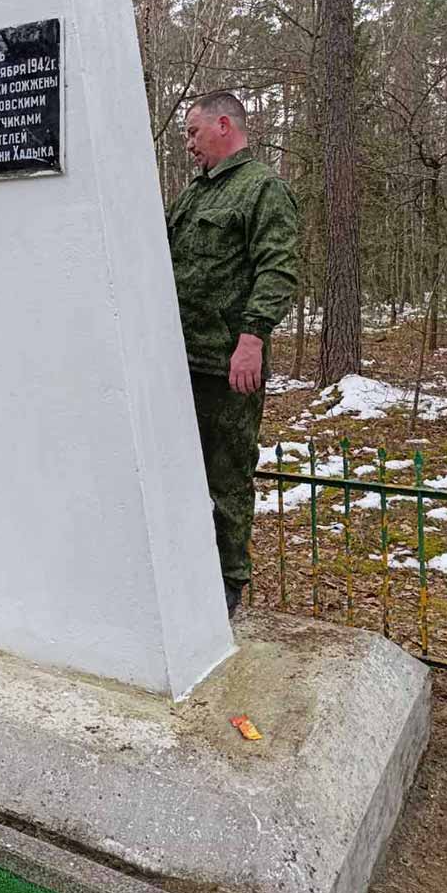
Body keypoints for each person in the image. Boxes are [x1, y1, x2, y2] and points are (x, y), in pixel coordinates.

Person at [166, 90, 298, 616]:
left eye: (193, 133)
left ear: (224, 125)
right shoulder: (193, 195)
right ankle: (186, 570)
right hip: (178, 361)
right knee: (178, 473)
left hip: (226, 365)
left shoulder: (262, 189)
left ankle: (227, 582)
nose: (189, 145)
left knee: (226, 476)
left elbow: (278, 269)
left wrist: (252, 339)